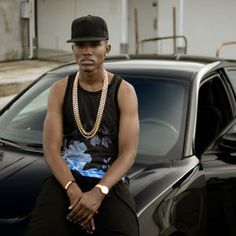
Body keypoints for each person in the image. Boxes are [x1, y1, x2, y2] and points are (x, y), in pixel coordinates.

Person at [26, 15, 139, 236]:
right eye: (80, 44)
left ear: (107, 48)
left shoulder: (124, 91)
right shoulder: (59, 90)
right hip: (66, 179)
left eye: (94, 44)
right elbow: (50, 148)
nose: (87, 51)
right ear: (74, 50)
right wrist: (74, 192)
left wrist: (98, 193)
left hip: (109, 181)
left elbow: (128, 153)